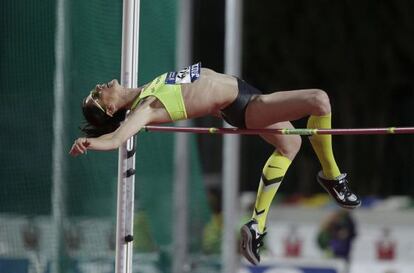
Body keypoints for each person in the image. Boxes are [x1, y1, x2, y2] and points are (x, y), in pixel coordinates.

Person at [69, 62, 361, 265]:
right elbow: (118, 138)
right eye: (97, 95)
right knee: (319, 100)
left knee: (291, 144)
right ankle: (332, 175)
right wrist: (93, 142)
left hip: (244, 94)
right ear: (110, 108)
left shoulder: (147, 89)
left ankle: (257, 226)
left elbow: (192, 90)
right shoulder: (145, 109)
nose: (99, 86)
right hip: (243, 106)